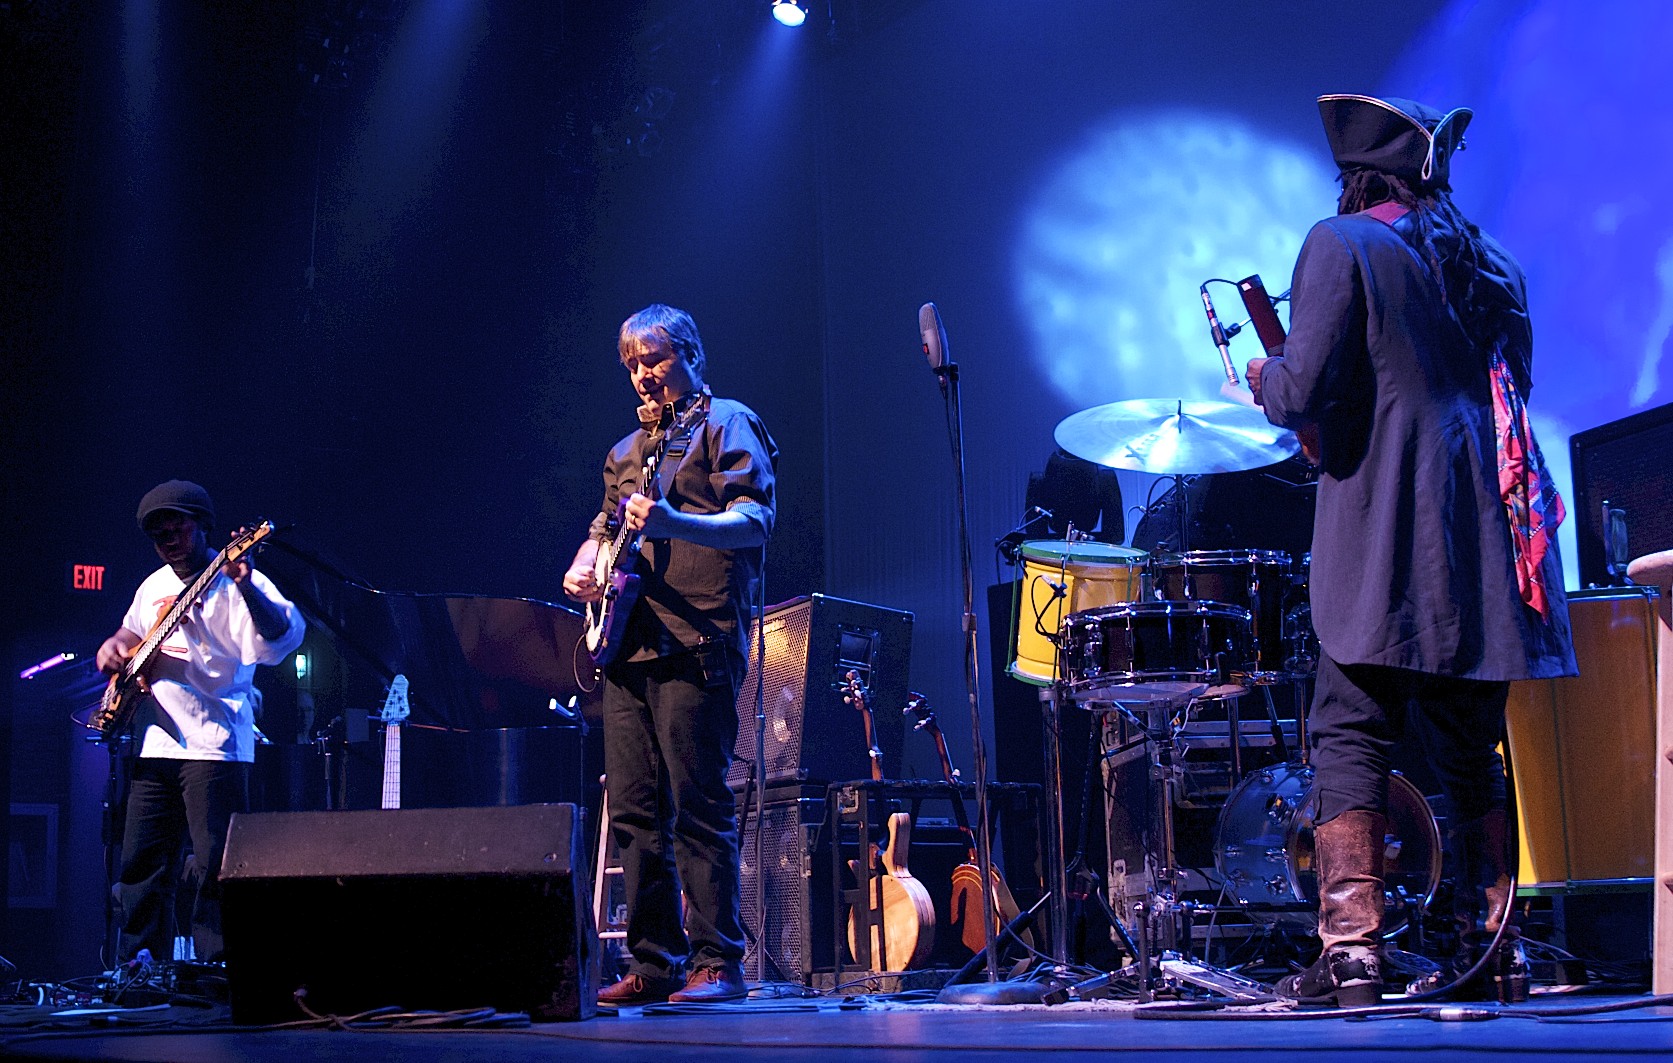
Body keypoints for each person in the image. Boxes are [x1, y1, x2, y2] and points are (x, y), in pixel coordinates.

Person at [1245, 95, 1576, 1005]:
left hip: (1384, 534)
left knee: (1349, 726)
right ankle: (1493, 945)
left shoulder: (1339, 243)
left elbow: (1303, 384)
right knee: (1470, 744)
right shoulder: (1492, 266)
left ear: (1354, 177)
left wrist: (1260, 377)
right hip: (1484, 549)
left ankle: (1352, 953)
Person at [563, 304, 777, 1006]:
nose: (641, 374)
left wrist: (673, 519)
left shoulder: (727, 423)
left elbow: (754, 520)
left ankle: (718, 963)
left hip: (697, 639)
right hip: (630, 646)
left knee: (697, 806)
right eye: (629, 363)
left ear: (687, 353)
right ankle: (654, 962)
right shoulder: (626, 452)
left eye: (651, 358)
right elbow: (602, 527)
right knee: (631, 810)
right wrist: (584, 564)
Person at [96, 480, 306, 966]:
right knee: (141, 866)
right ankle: (138, 970)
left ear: (203, 526)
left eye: (178, 528)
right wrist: (113, 646)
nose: (169, 540)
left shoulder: (237, 577)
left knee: (216, 868)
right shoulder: (154, 584)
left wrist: (244, 583)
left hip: (214, 745)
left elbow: (280, 636)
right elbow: (130, 631)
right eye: (159, 534)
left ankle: (218, 973)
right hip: (156, 742)